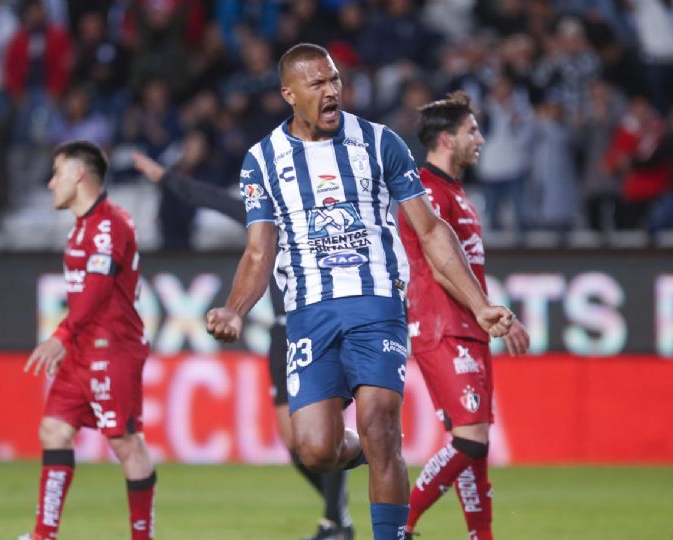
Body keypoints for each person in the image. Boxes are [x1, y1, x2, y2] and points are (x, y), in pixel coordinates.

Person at [204, 43, 514, 540]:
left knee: (380, 426)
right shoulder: (262, 160)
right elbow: (259, 253)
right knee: (316, 449)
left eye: (334, 80)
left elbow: (432, 231)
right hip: (309, 312)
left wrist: (479, 304)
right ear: (289, 94)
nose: (331, 91)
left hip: (377, 305)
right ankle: (379, 454)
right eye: (317, 83)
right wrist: (236, 309)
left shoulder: (379, 142)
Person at [131, 151, 355, 539]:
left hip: (321, 328)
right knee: (294, 443)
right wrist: (164, 177)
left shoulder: (333, 218)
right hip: (283, 333)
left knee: (325, 430)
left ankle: (334, 521)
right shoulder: (266, 218)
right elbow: (215, 201)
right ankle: (340, 513)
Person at [397, 92, 530, 539]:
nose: (481, 138)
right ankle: (402, 524)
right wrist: (484, 310)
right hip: (441, 325)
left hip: (468, 327)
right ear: (446, 140)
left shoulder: (454, 190)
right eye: (472, 130)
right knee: (470, 439)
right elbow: (438, 264)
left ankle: (481, 536)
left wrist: (496, 316)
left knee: (476, 445)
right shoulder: (425, 190)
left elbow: (465, 266)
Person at [20, 141, 155, 540]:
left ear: (79, 174)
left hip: (112, 349)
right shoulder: (82, 227)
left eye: (57, 173)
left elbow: (99, 285)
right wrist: (70, 339)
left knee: (125, 442)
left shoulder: (111, 223)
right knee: (54, 430)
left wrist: (61, 334)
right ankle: (44, 535)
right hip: (82, 350)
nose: (49, 184)